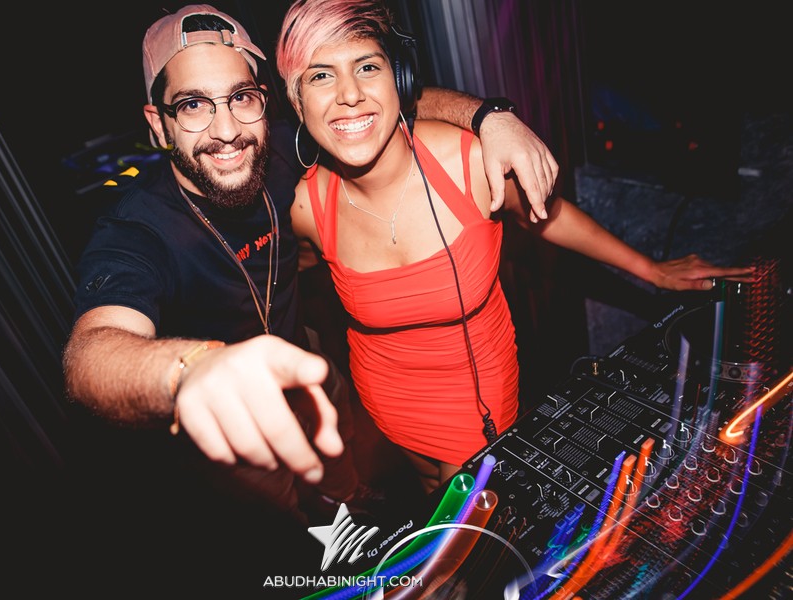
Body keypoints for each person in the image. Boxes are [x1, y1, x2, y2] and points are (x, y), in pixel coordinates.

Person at [61, 4, 562, 524]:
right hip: (232, 427)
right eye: (192, 105)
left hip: (312, 374)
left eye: (240, 97)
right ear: (158, 124)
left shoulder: (278, 148)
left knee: (348, 484)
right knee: (293, 532)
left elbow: (388, 104)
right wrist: (189, 371)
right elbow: (90, 353)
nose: (226, 130)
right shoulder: (135, 230)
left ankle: (353, 502)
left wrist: (491, 117)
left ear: (263, 101)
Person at [276, 0, 756, 494]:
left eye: (367, 67)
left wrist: (651, 270)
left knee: (473, 529)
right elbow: (288, 283)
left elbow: (544, 215)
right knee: (432, 505)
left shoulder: (468, 163)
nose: (349, 95)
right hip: (387, 398)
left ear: (398, 79)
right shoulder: (306, 207)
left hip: (479, 397)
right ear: (298, 101)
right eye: (321, 76)